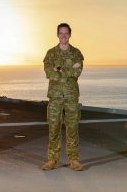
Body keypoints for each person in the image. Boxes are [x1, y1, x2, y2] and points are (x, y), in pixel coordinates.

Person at [41, 23, 84, 171]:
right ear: (57, 35)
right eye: (61, 33)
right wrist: (69, 69)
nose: (63, 36)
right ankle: (52, 159)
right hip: (55, 96)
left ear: (70, 34)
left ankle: (74, 159)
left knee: (72, 127)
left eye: (66, 33)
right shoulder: (50, 53)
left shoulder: (76, 53)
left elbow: (77, 72)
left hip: (71, 96)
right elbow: (48, 72)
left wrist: (58, 69)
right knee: (54, 127)